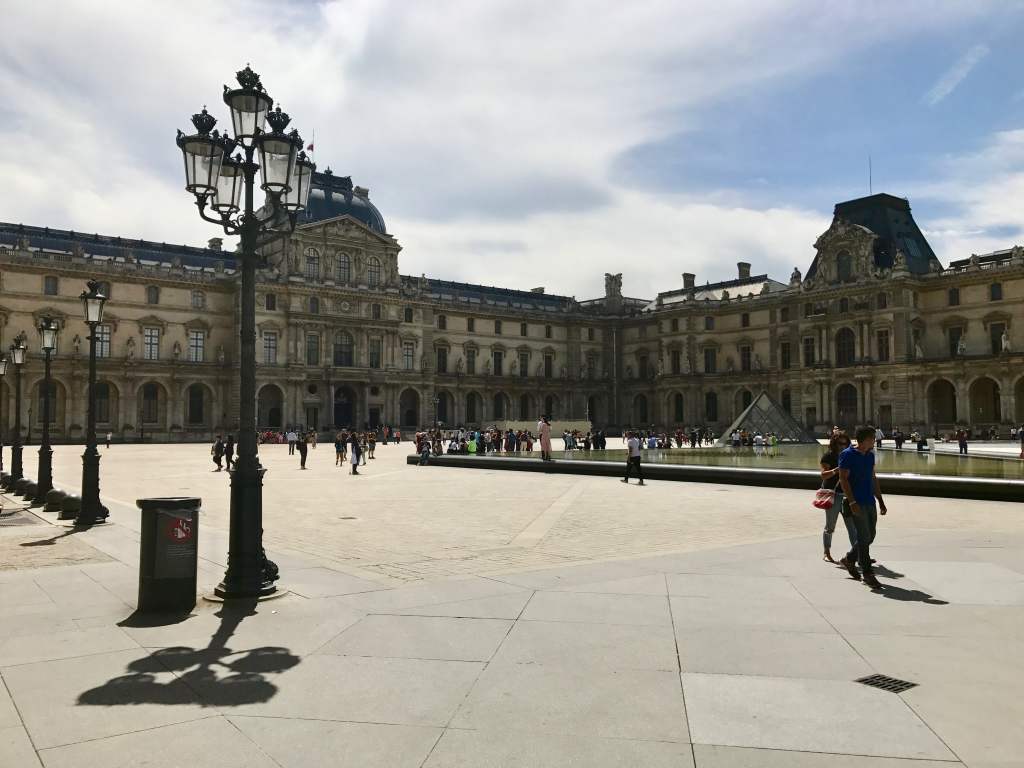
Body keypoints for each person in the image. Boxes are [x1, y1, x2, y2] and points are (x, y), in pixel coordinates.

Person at [837, 426, 888, 589]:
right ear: (864, 440)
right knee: (864, 537)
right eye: (872, 438)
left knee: (870, 536)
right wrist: (852, 502)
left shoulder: (870, 455)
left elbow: (873, 478)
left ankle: (849, 559)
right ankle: (867, 573)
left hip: (870, 501)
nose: (874, 440)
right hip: (856, 502)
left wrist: (880, 500)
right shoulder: (847, 455)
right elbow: (843, 479)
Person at [820, 432, 856, 563]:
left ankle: (856, 554)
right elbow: (823, 475)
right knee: (830, 526)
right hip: (833, 495)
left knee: (852, 526)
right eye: (840, 443)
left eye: (846, 443)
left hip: (847, 495)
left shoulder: (849, 456)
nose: (843, 446)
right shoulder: (828, 456)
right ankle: (826, 552)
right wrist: (837, 470)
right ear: (834, 443)